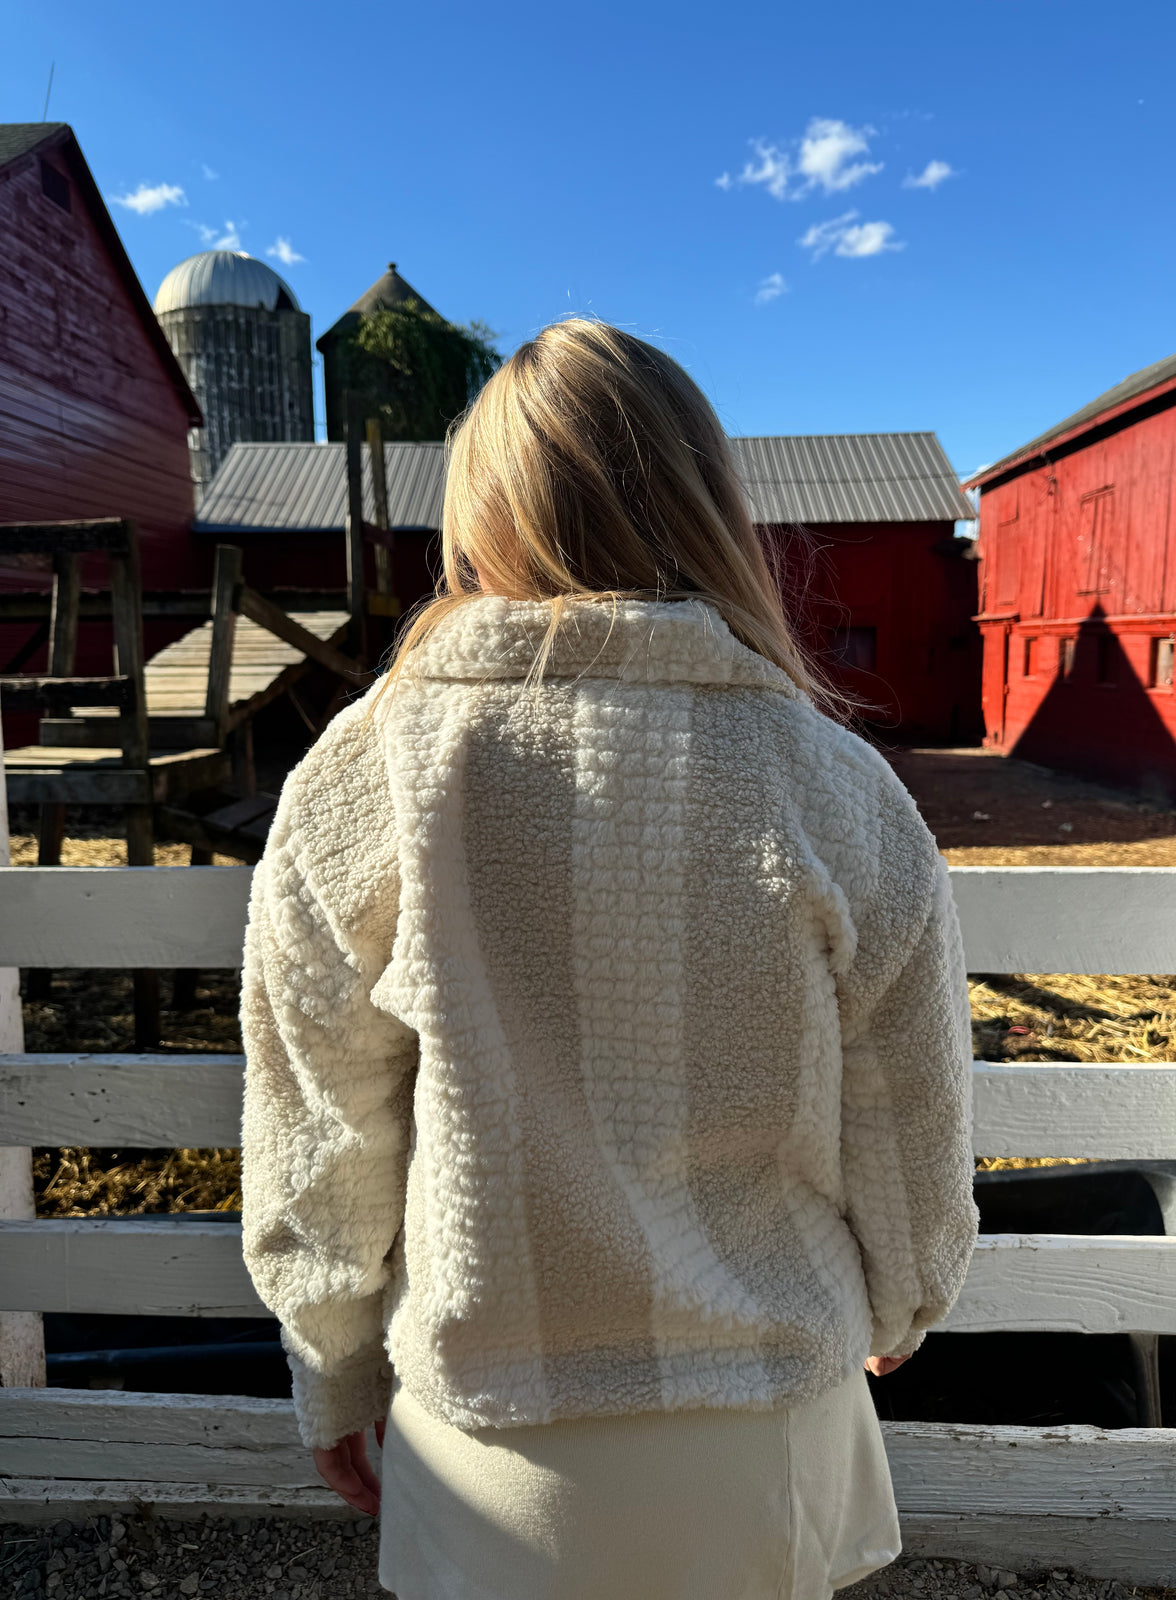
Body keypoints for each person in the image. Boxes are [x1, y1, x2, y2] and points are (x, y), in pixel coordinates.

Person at [239, 319, 979, 1600]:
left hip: (491, 1453)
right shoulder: (835, 785)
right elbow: (909, 1108)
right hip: (765, 1436)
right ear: (706, 504)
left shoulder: (371, 775)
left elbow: (321, 1126)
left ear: (480, 521)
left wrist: (334, 1364)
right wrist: (904, 1299)